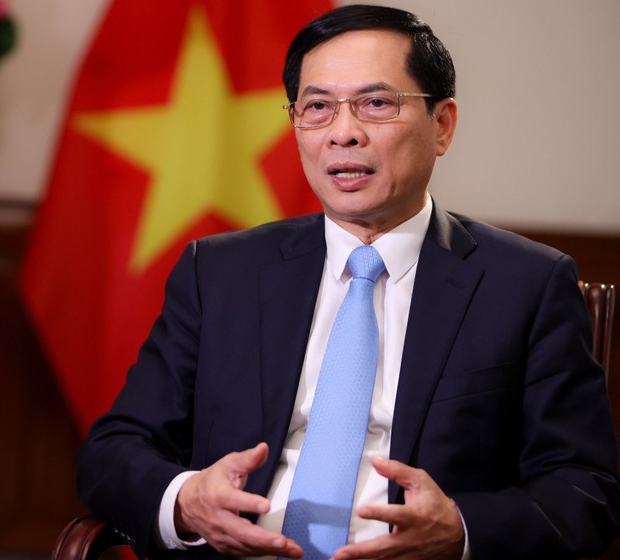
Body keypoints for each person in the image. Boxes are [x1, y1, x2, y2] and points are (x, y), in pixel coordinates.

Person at [75, 5, 620, 559]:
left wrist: (460, 528)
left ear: (442, 125)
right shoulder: (219, 274)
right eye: (317, 107)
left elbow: (585, 489)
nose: (343, 134)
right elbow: (113, 450)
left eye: (376, 103)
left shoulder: (525, 285)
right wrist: (187, 501)